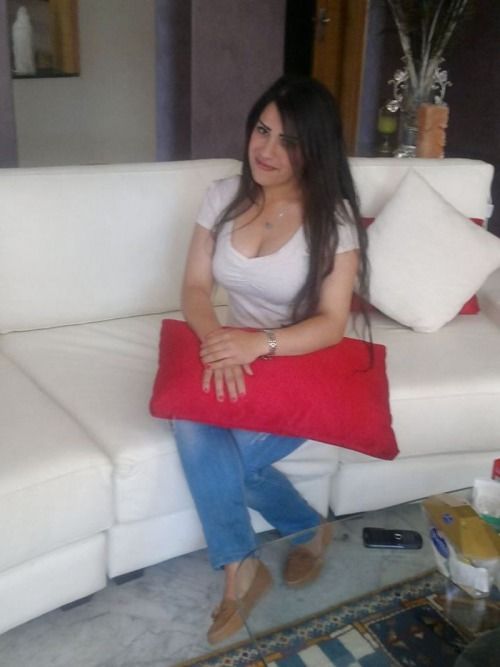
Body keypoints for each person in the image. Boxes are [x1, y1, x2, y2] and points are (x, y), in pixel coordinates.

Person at [172, 75, 369, 644]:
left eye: (289, 141)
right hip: (230, 348)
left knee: (221, 452)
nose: (266, 149)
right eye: (262, 130)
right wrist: (218, 343)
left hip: (299, 360)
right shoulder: (222, 196)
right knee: (189, 418)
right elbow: (194, 288)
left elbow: (331, 323)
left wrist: (260, 344)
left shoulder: (333, 220)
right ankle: (278, 543)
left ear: (314, 151)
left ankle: (245, 569)